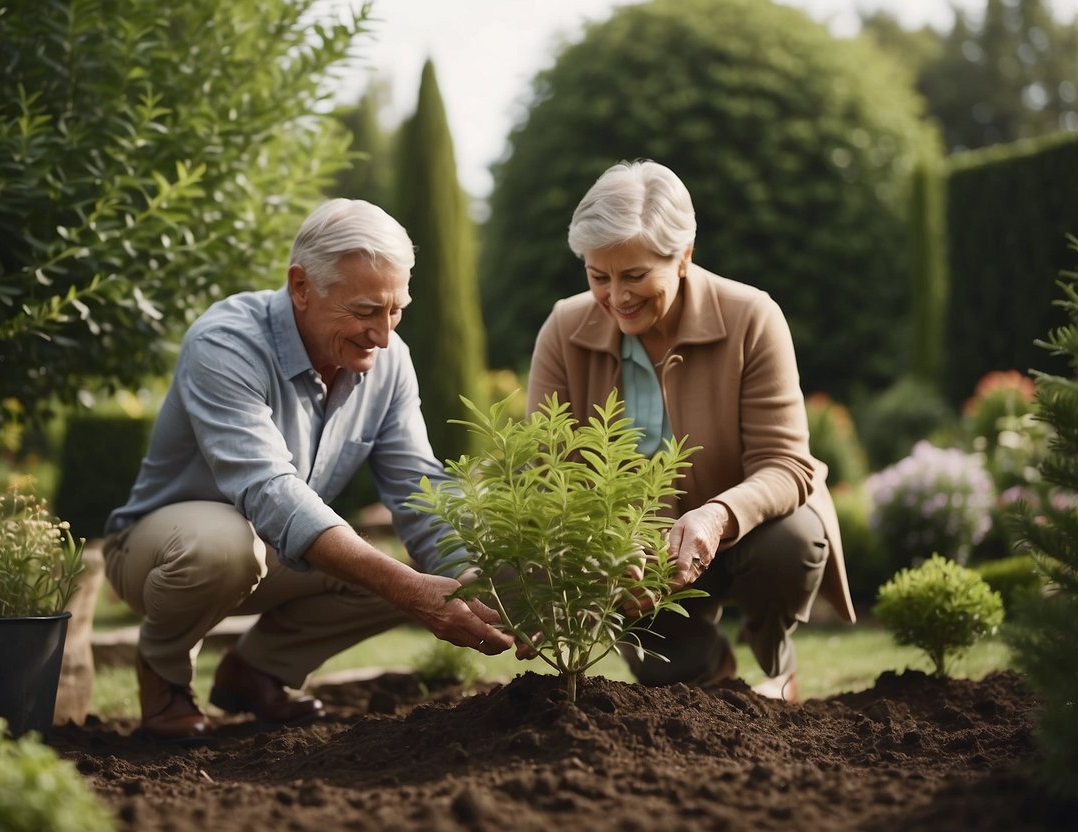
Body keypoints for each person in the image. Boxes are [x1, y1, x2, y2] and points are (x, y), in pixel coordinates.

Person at [103, 199, 514, 740]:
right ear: (301, 286)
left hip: (272, 552)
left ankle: (256, 671)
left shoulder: (389, 362)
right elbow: (268, 490)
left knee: (403, 576)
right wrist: (411, 590)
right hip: (162, 551)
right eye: (366, 310)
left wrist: (476, 583)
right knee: (229, 544)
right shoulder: (227, 341)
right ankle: (164, 675)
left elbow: (421, 491)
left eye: (396, 311)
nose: (384, 335)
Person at [527, 160, 855, 702]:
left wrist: (716, 516)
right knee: (670, 675)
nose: (615, 296)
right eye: (597, 276)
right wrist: (613, 545)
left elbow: (786, 464)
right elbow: (549, 469)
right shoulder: (564, 329)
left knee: (793, 541)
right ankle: (717, 676)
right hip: (637, 552)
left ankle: (773, 654)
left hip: (743, 531)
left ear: (683, 257)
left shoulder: (751, 316)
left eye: (634, 275)